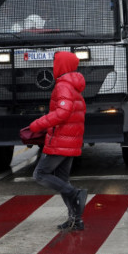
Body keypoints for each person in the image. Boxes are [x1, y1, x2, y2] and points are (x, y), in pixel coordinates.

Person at [30, 51, 88, 231]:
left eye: (55, 63)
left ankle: (75, 193)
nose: (53, 66)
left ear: (61, 65)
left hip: (60, 141)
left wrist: (38, 124)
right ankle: (75, 220)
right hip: (71, 141)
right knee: (62, 179)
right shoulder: (74, 85)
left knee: (40, 174)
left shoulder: (63, 85)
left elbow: (63, 112)